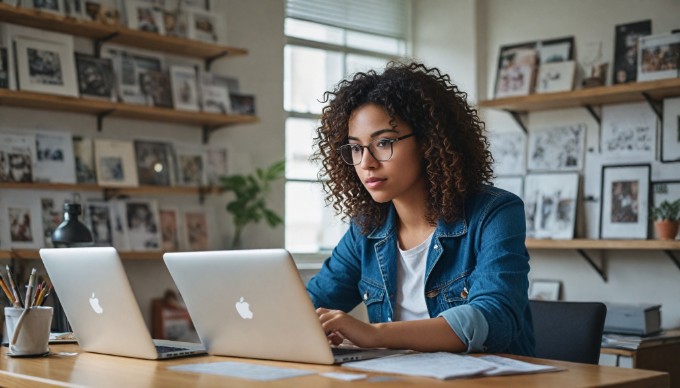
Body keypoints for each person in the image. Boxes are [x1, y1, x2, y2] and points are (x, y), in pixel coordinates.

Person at [306, 61, 535, 356]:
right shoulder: (366, 227)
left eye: (384, 142)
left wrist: (373, 333)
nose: (366, 162)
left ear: (429, 141)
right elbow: (310, 304)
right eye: (355, 148)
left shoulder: (495, 213)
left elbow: (494, 317)